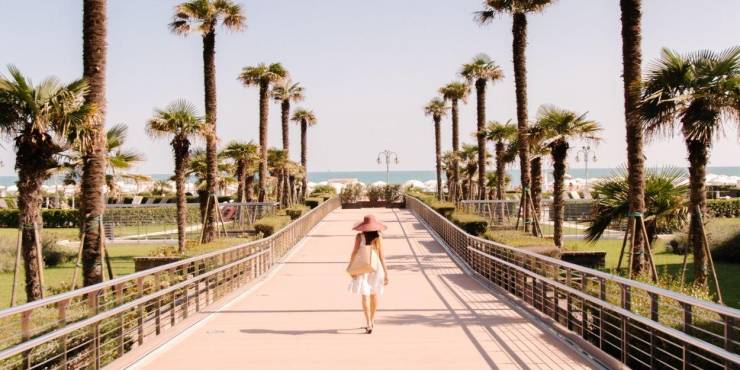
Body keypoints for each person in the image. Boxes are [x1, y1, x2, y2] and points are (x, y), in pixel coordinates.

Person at [347, 214, 389, 334]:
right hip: (376, 267)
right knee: (374, 294)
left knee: (365, 294)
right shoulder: (378, 237)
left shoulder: (359, 237)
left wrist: (351, 267)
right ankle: (372, 319)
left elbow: (354, 253)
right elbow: (382, 257)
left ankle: (368, 323)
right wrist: (386, 273)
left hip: (363, 266)